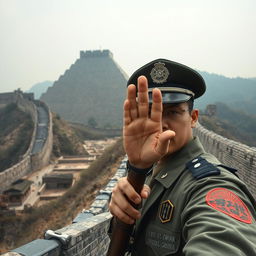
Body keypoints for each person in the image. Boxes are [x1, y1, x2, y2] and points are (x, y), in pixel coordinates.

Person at [109, 59, 256, 255]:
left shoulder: (210, 184)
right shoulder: (146, 172)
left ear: (194, 118)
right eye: (153, 113)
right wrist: (136, 168)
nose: (161, 125)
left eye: (173, 112)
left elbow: (224, 236)